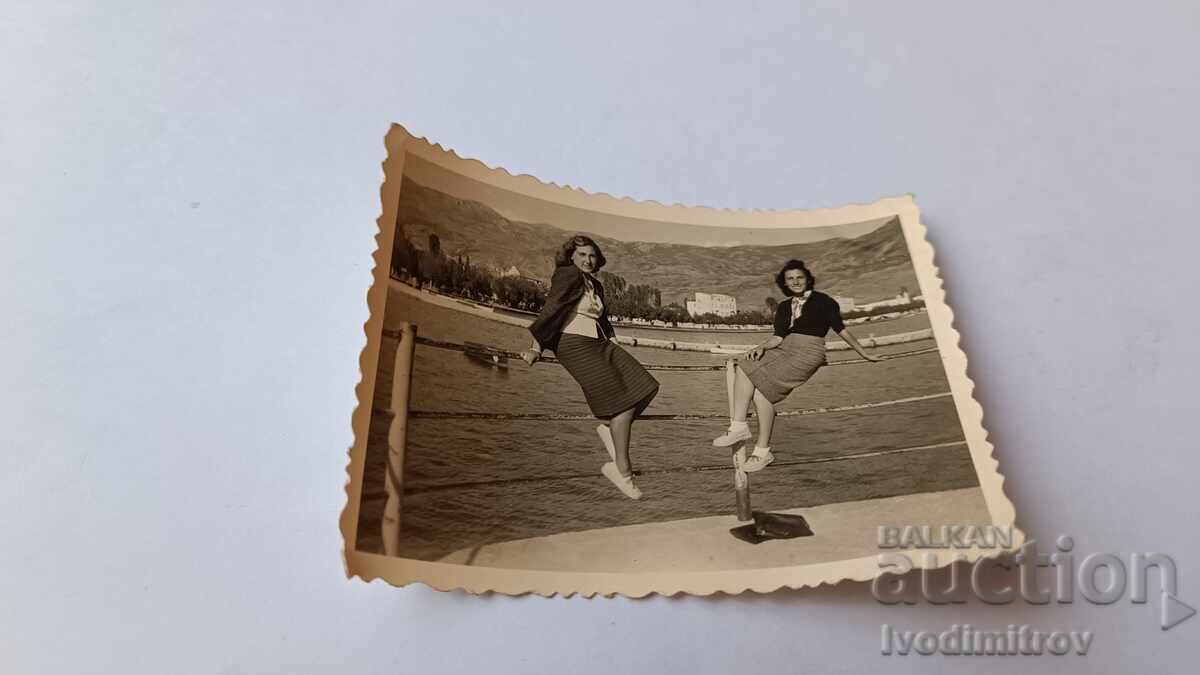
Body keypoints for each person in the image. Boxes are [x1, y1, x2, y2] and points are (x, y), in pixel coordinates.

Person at [521, 235, 659, 499]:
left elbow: (603, 319)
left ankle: (610, 431)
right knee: (622, 405)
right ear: (571, 256)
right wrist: (536, 347)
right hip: (573, 344)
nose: (588, 260)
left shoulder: (595, 283)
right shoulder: (567, 275)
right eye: (582, 254)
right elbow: (551, 310)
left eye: (592, 255)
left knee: (646, 385)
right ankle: (622, 470)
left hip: (600, 343)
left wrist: (616, 344)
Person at [713, 259, 881, 471]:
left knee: (750, 374)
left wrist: (864, 353)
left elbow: (841, 329)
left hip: (809, 350)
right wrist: (761, 347)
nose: (795, 282)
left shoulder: (823, 301)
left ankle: (740, 428)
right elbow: (778, 337)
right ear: (785, 283)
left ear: (807, 279)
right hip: (786, 348)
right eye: (790, 279)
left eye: (799, 278)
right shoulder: (784, 307)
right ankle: (760, 449)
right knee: (754, 382)